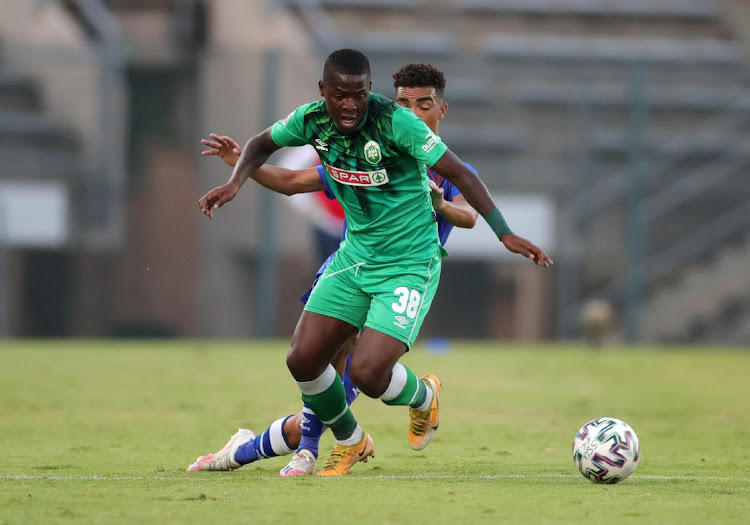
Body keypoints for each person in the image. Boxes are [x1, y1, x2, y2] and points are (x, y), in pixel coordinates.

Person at [195, 49, 551, 477]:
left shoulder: (406, 139)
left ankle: (300, 444)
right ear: (324, 92)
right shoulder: (340, 139)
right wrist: (240, 174)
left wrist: (500, 231)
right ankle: (337, 443)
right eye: (405, 102)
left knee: (362, 373)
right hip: (354, 260)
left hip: (406, 268)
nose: (412, 112)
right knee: (307, 360)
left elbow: (465, 205)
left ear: (441, 108)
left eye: (423, 104)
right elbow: (290, 179)